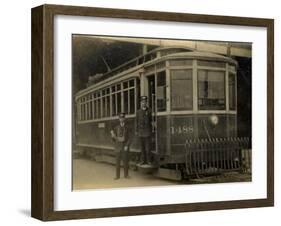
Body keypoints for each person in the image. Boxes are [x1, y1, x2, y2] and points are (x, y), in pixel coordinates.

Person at [110, 112, 130, 179]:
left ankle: (126, 175)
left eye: (123, 118)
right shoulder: (116, 128)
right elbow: (113, 139)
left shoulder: (127, 127)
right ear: (119, 119)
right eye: (120, 118)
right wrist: (112, 136)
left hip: (124, 147)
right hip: (118, 147)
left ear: (124, 118)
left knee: (125, 162)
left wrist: (127, 145)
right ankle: (117, 176)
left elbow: (129, 138)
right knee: (117, 162)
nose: (122, 119)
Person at [135, 96, 153, 165]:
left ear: (146, 103)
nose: (143, 103)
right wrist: (136, 131)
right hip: (140, 132)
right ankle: (142, 161)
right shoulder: (138, 112)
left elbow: (151, 120)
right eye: (142, 102)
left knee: (148, 148)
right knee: (142, 148)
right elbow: (136, 122)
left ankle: (148, 161)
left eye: (145, 102)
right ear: (141, 103)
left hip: (147, 132)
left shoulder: (149, 111)